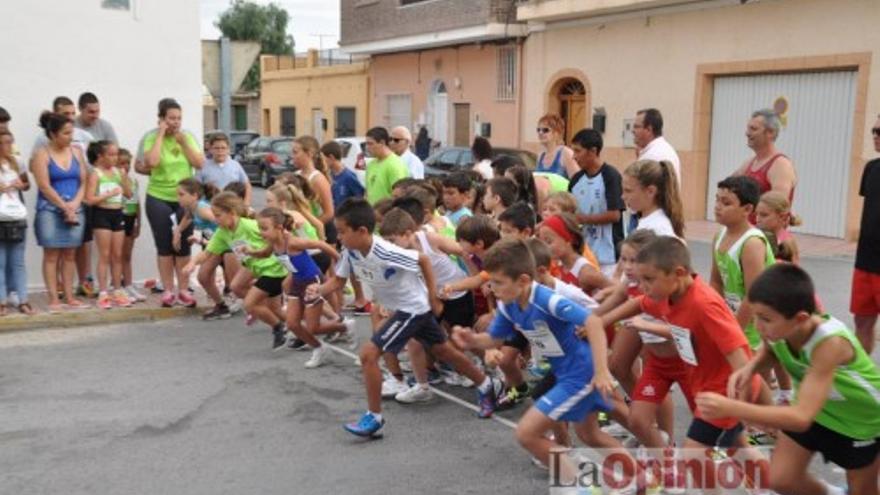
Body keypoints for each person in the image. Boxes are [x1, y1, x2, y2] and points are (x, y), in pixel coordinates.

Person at [306, 198, 500, 437]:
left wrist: (431, 297)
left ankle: (374, 417)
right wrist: (319, 290)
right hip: (403, 307)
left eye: (343, 231)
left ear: (362, 231)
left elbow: (423, 260)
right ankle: (486, 384)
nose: (339, 236)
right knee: (443, 351)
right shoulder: (351, 252)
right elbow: (337, 281)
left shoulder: (385, 251)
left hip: (413, 309)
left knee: (369, 354)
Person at [452, 238, 631, 488]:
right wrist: (472, 340)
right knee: (589, 434)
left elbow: (592, 322)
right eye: (490, 281)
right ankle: (644, 478)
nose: (492, 288)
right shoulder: (508, 305)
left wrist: (602, 372)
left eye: (498, 282)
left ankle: (581, 486)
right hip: (565, 373)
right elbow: (493, 337)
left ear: (524, 280)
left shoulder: (547, 300)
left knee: (526, 433)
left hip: (581, 373)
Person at [696, 264, 880, 495]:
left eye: (765, 319)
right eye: (755, 317)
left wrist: (733, 408)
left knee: (864, 491)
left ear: (800, 318)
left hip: (860, 421)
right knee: (781, 480)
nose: (758, 327)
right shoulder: (779, 330)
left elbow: (801, 417)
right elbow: (771, 351)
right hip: (819, 410)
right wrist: (751, 367)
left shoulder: (829, 343)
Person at [183, 192, 289, 349]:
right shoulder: (222, 232)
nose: (216, 220)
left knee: (249, 304)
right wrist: (192, 263)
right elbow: (207, 253)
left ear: (232, 213)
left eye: (218, 215)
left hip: (271, 268)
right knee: (238, 287)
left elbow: (278, 235)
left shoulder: (249, 225)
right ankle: (297, 327)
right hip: (253, 266)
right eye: (214, 215)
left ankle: (278, 327)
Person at [250, 207, 353, 368]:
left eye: (264, 228)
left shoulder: (292, 242)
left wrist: (341, 263)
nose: (261, 232)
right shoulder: (273, 242)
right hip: (297, 282)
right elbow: (263, 253)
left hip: (312, 281)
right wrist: (248, 251)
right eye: (259, 228)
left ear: (279, 227)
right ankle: (319, 348)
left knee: (313, 327)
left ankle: (345, 325)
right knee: (292, 324)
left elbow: (321, 244)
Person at [137, 98, 204, 308]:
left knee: (183, 244)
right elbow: (152, 162)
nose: (175, 122)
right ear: (162, 119)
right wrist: (160, 134)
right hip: (158, 196)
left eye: (179, 118)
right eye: (171, 118)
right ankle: (167, 290)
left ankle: (183, 289)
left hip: (184, 198)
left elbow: (199, 163)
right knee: (165, 244)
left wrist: (183, 142)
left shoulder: (188, 136)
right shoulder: (150, 137)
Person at [711, 176, 776, 351]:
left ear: (747, 209)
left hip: (755, 324)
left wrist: (734, 332)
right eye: (717, 200)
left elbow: (753, 295)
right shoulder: (719, 236)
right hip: (731, 318)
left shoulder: (751, 244)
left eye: (726, 203)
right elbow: (716, 282)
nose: (717, 206)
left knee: (750, 375)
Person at [31, 112, 87, 312]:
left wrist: (75, 204)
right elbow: (44, 186)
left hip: (75, 208)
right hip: (50, 210)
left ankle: (70, 296)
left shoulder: (77, 152)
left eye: (71, 133)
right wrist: (64, 206)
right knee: (51, 254)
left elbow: (83, 182)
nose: (70, 137)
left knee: (70, 253)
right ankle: (54, 298)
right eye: (65, 133)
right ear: (53, 134)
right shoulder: (42, 154)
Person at [569, 128, 624, 277]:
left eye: (578, 151)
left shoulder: (610, 176)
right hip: (584, 255)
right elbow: (568, 212)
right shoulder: (576, 181)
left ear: (593, 151)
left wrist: (584, 219)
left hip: (608, 257)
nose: (574, 156)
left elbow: (615, 215)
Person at [84, 141, 133, 310]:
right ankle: (103, 292)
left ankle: (118, 290)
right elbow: (89, 199)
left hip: (117, 213)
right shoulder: (96, 174)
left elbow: (128, 194)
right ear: (100, 156)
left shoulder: (118, 173)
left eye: (116, 154)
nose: (115, 158)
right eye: (111, 155)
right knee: (104, 254)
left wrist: (124, 177)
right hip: (102, 215)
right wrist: (108, 194)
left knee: (117, 254)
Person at [734, 108, 797, 225]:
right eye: (748, 128)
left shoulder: (780, 165)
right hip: (748, 235)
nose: (747, 133)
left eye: (753, 129)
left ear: (771, 133)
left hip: (766, 238)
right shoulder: (750, 162)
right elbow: (728, 188)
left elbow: (777, 206)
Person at [851, 115, 880, 354]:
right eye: (874, 130)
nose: (875, 136)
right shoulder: (871, 168)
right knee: (862, 320)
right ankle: (864, 377)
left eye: (879, 132)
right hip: (865, 261)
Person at [0, 129, 33, 316]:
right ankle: (2, 301)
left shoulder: (17, 161)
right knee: (1, 261)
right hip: (1, 215)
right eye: (4, 143)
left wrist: (21, 185)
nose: (8, 147)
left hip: (16, 213)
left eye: (10, 142)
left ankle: (23, 300)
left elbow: (27, 184)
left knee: (18, 261)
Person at [622, 159, 684, 238]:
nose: (623, 196)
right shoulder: (648, 222)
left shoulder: (657, 229)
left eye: (628, 191)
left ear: (650, 191)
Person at [117, 148, 146, 302]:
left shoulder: (134, 181)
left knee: (127, 255)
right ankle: (118, 284)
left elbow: (137, 202)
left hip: (131, 218)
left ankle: (128, 283)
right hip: (119, 217)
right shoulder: (115, 180)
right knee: (118, 255)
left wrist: (139, 223)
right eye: (121, 163)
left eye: (127, 163)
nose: (125, 167)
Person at [195, 133, 251, 205]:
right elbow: (196, 189)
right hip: (211, 207)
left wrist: (246, 203)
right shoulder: (203, 166)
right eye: (217, 148)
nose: (220, 151)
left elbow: (247, 185)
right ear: (210, 149)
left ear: (228, 149)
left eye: (223, 148)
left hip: (233, 206)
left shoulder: (235, 165)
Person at [632, 108, 681, 184]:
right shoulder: (665, 149)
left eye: (637, 127)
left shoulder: (652, 156)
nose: (633, 131)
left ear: (649, 129)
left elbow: (641, 189)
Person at [364, 127, 409, 204]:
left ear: (382, 143)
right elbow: (367, 193)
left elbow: (400, 197)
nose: (367, 148)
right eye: (366, 144)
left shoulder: (395, 164)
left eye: (370, 144)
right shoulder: (371, 164)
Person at [756, 190, 801, 265]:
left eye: (764, 215)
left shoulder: (786, 243)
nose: (758, 219)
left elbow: (793, 271)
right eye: (757, 214)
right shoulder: (760, 235)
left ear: (782, 217)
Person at [321, 141, 364, 208]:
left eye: (323, 159)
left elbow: (360, 200)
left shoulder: (349, 177)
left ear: (331, 157)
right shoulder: (329, 176)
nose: (322, 162)